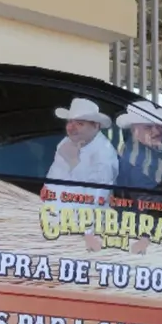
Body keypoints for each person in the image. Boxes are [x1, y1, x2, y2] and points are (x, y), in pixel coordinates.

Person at [43, 97, 119, 251]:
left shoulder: (103, 156)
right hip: (53, 226)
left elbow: (94, 200)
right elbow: (52, 183)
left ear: (96, 126)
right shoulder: (66, 142)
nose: (72, 127)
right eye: (70, 122)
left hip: (78, 236)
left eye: (80, 123)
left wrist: (73, 162)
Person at [115, 100, 162, 254]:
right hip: (146, 233)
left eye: (160, 126)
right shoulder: (134, 158)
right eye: (149, 127)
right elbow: (149, 204)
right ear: (134, 129)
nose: (157, 131)